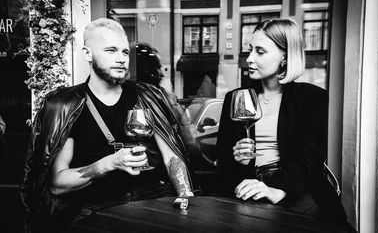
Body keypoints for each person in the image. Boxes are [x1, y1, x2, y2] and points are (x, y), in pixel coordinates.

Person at [20, 18, 193, 232]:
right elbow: (57, 183)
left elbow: (171, 157)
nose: (121, 59)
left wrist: (185, 198)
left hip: (152, 203)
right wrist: (110, 163)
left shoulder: (146, 96)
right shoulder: (66, 105)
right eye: (111, 51)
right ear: (87, 54)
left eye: (124, 52)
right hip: (96, 212)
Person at [217, 19, 352, 231]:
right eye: (250, 50)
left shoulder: (311, 97)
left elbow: (309, 159)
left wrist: (277, 190)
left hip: (297, 188)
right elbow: (223, 163)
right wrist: (239, 162)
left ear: (285, 57)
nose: (249, 59)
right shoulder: (236, 98)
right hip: (250, 188)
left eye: (260, 51)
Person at [135, 42, 197, 162]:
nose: (162, 74)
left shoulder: (125, 94)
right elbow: (186, 135)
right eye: (158, 68)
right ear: (148, 69)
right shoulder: (163, 97)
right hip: (162, 165)